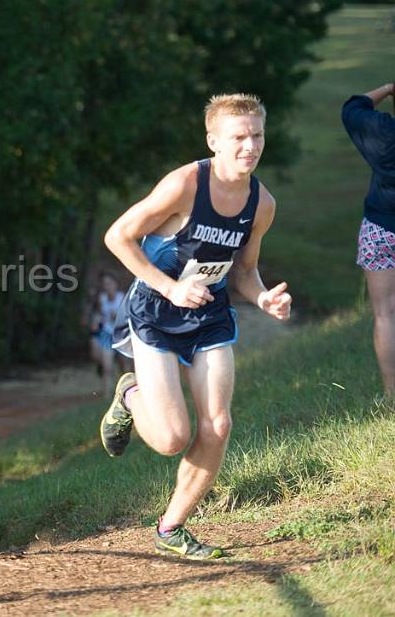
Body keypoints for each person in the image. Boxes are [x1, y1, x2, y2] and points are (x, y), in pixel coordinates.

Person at [100, 94, 292, 559]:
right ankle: (130, 393)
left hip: (208, 314)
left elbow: (245, 271)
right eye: (239, 137)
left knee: (219, 424)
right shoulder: (186, 183)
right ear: (214, 141)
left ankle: (171, 528)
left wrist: (263, 297)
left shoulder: (261, 203)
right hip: (156, 311)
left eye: (257, 136)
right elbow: (118, 237)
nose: (250, 146)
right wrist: (169, 288)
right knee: (170, 439)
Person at [342, 82, 395, 406]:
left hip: (380, 228)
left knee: (385, 314)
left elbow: (352, 107)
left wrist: (389, 88)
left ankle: (391, 395)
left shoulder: (383, 132)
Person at [87, 271, 129, 399]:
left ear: (115, 284)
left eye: (110, 283)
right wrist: (96, 322)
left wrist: (117, 317)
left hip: (121, 335)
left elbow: (128, 317)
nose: (107, 286)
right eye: (105, 284)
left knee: (124, 367)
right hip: (107, 334)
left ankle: (126, 393)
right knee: (107, 367)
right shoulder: (102, 298)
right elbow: (99, 314)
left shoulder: (122, 298)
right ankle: (106, 395)